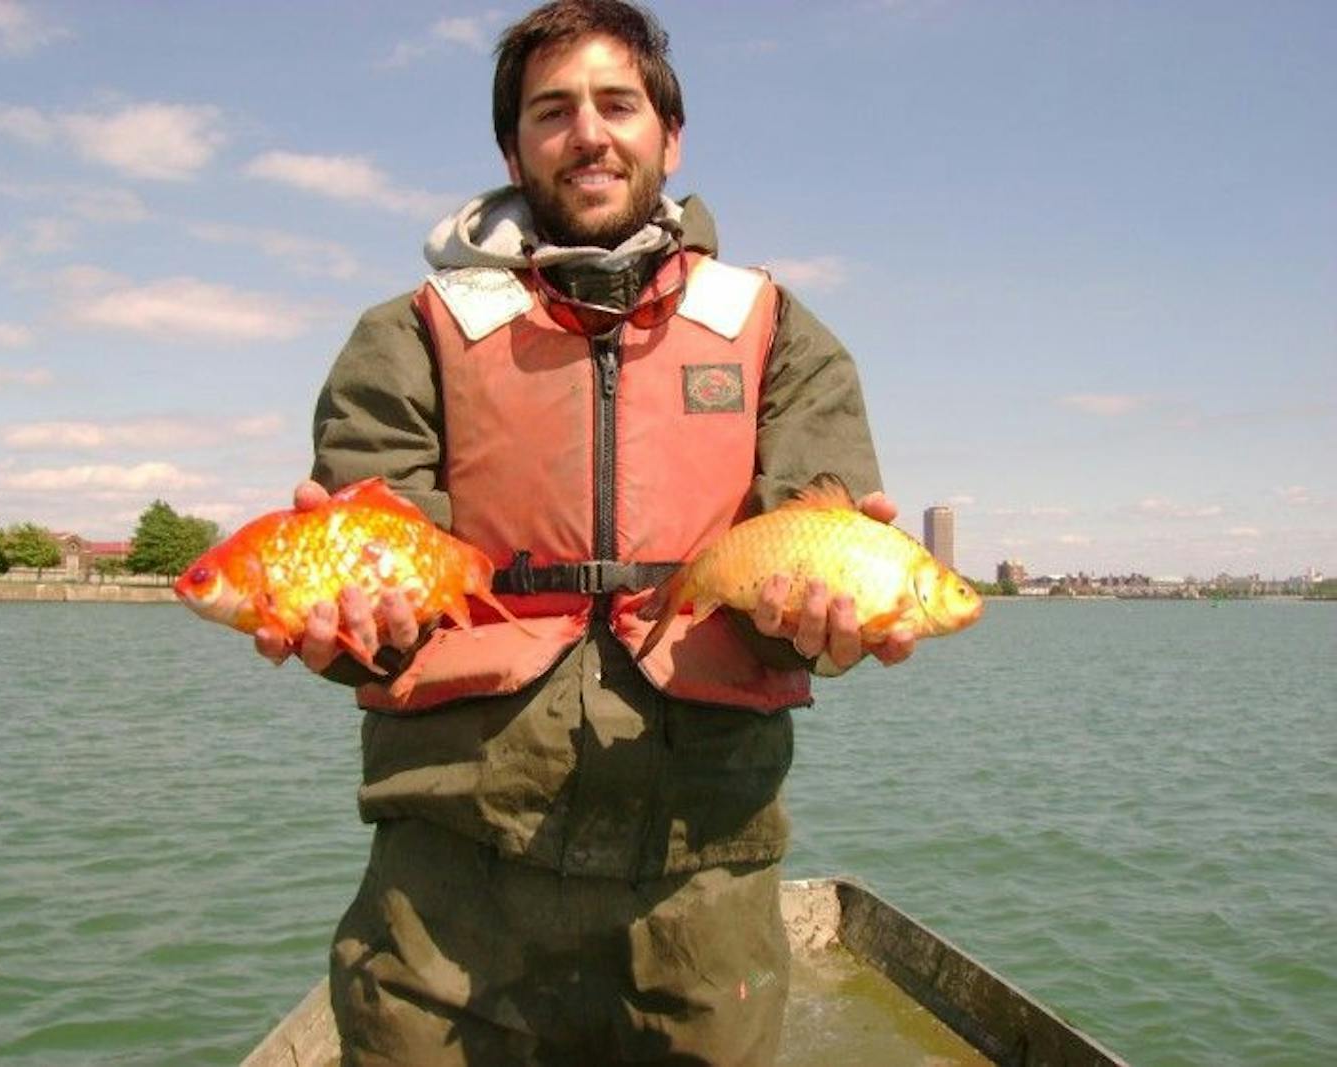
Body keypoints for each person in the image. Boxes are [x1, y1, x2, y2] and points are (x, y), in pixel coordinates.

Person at [256, 2, 914, 1062]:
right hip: (446, 886)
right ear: (512, 146)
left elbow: (813, 565)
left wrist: (831, 617)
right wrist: (342, 622)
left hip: (705, 877)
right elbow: (377, 607)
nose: (588, 132)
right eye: (550, 110)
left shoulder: (778, 329)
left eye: (618, 103)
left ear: (669, 134)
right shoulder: (406, 335)